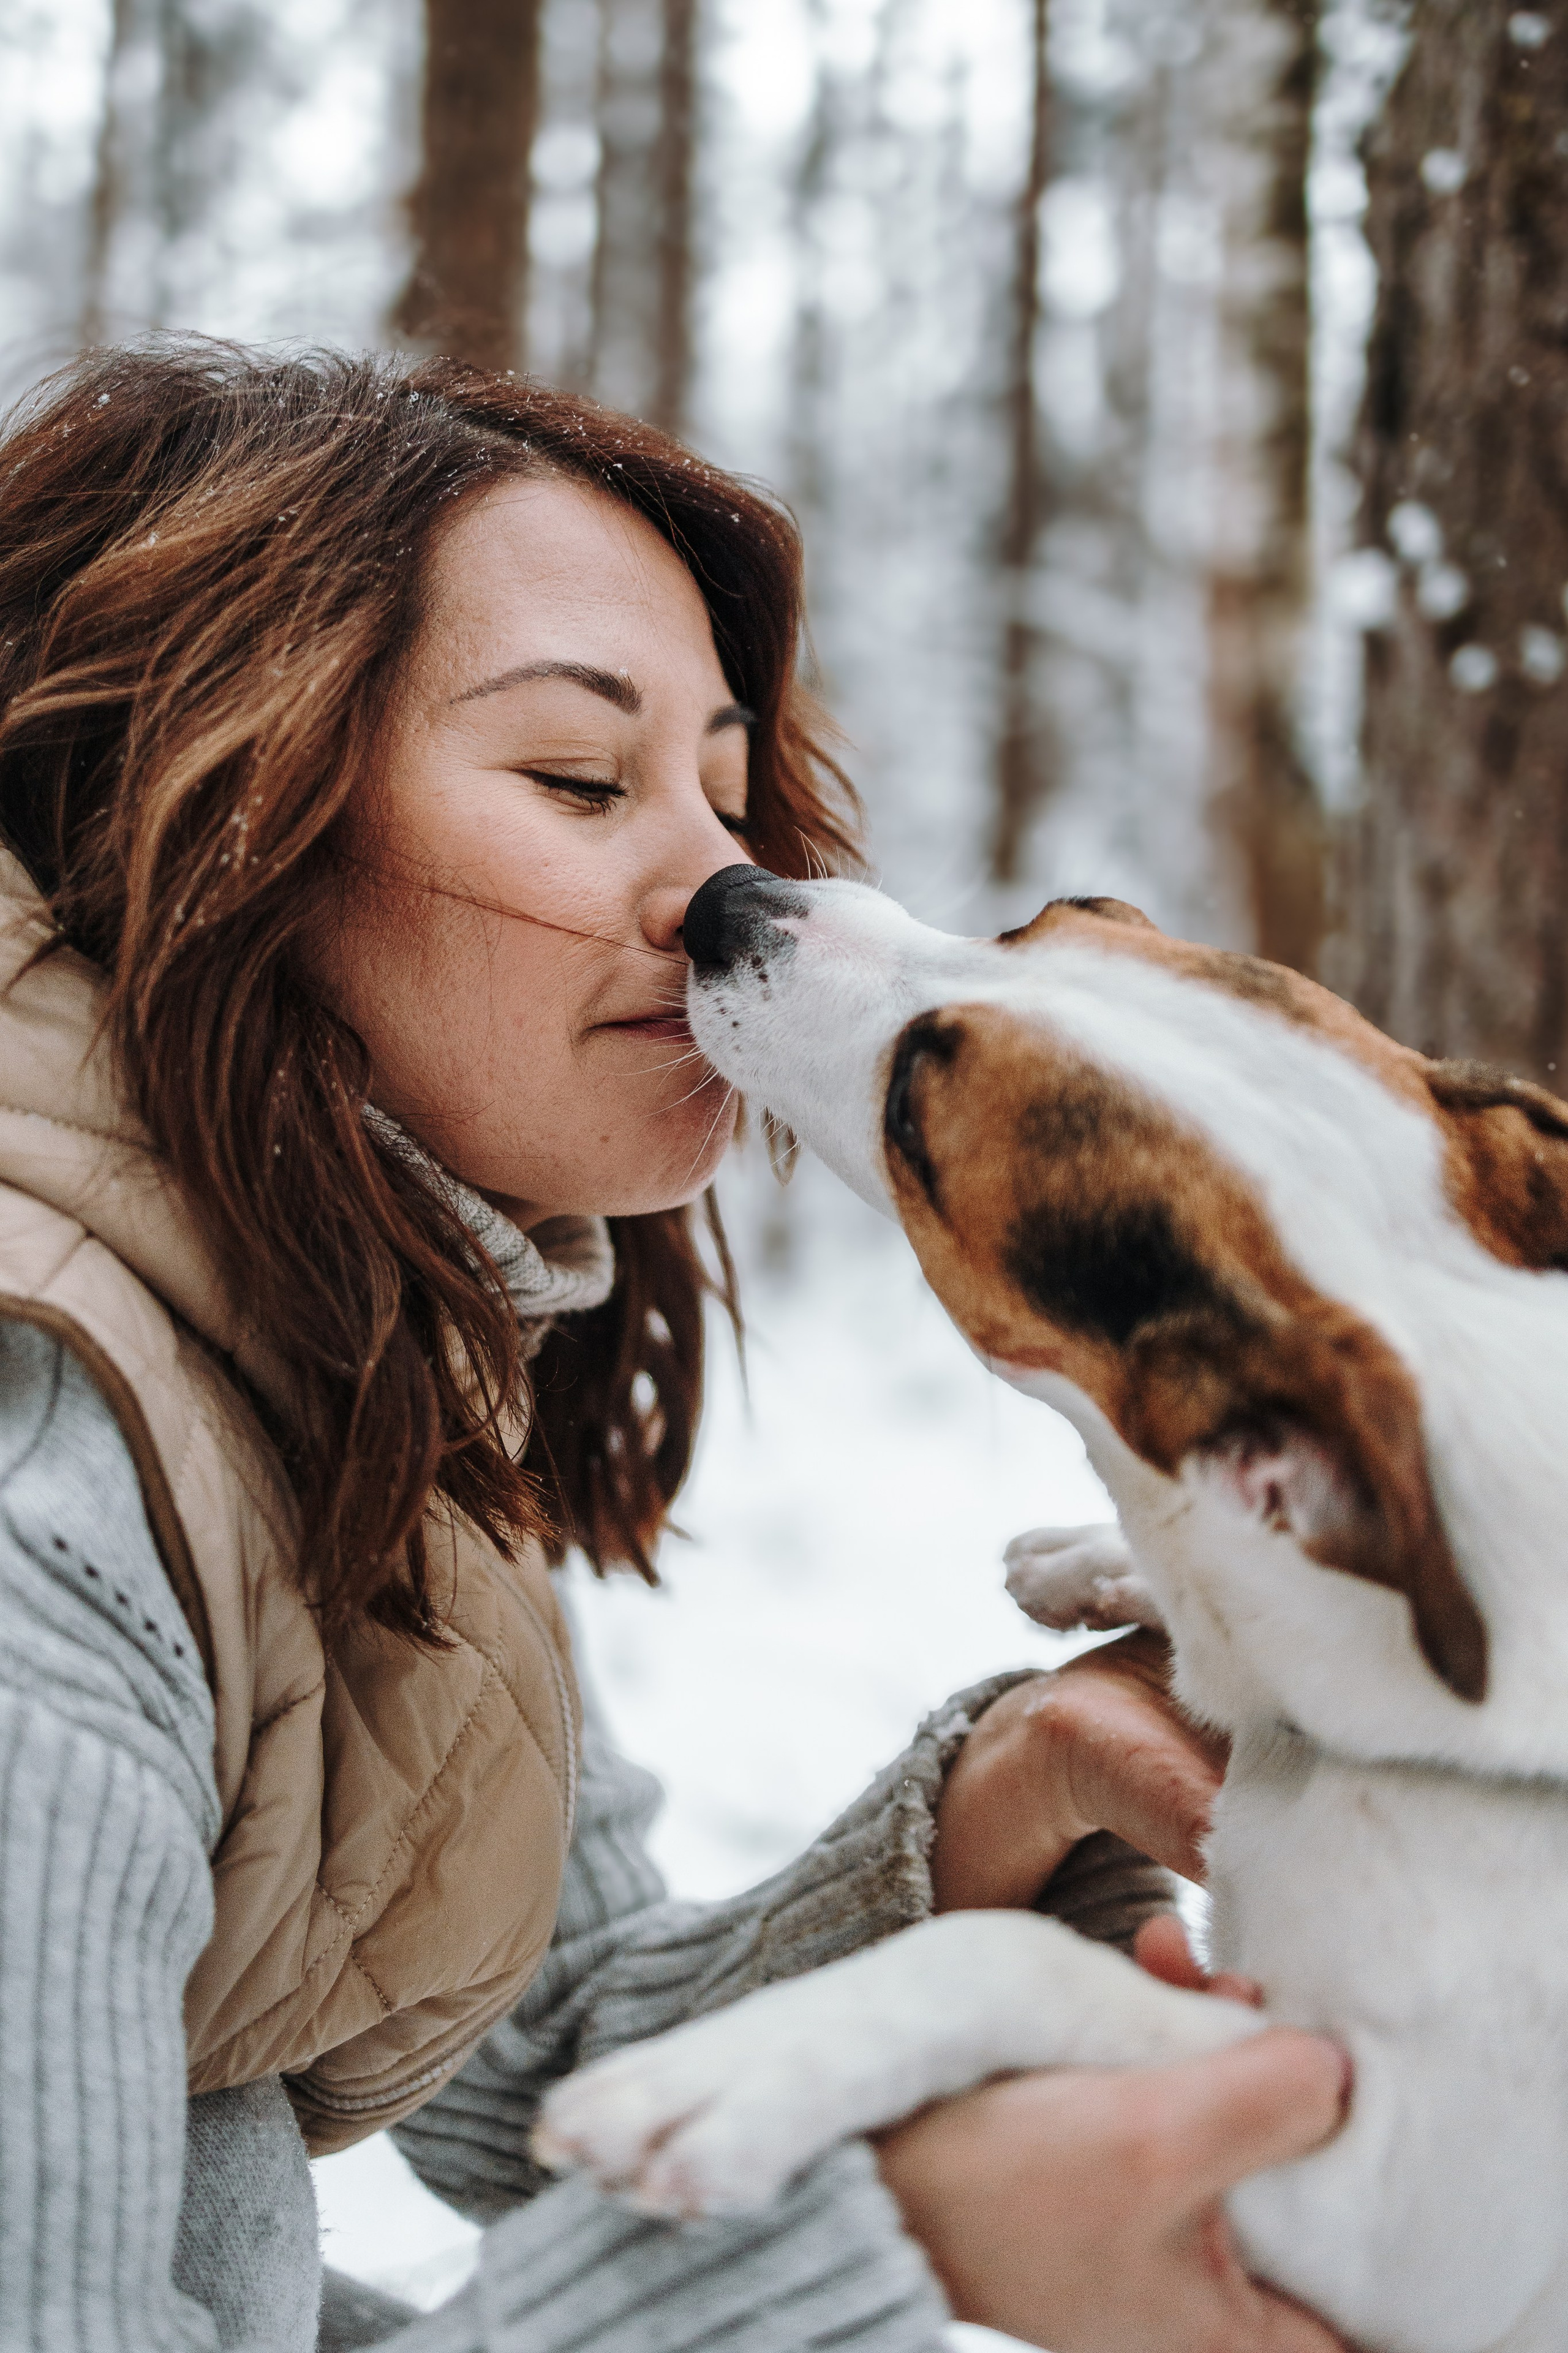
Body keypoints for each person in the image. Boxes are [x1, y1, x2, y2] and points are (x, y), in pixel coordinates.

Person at [0, 341, 1347, 2353]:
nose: (731, 882)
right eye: (577, 776)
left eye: (725, 784)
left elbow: (539, 2066)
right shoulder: (49, 1525)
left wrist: (1001, 1794)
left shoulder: (324, 1359)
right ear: (215, 812)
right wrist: (900, 2238)